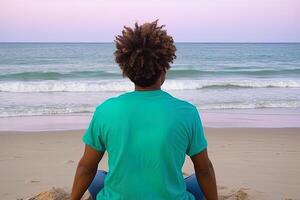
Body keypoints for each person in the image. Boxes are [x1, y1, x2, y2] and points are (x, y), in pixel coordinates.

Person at [71, 20, 217, 200]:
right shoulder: (187, 112)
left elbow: (86, 167)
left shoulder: (105, 110)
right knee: (195, 180)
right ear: (163, 69)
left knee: (97, 177)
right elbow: (204, 169)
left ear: (127, 70)